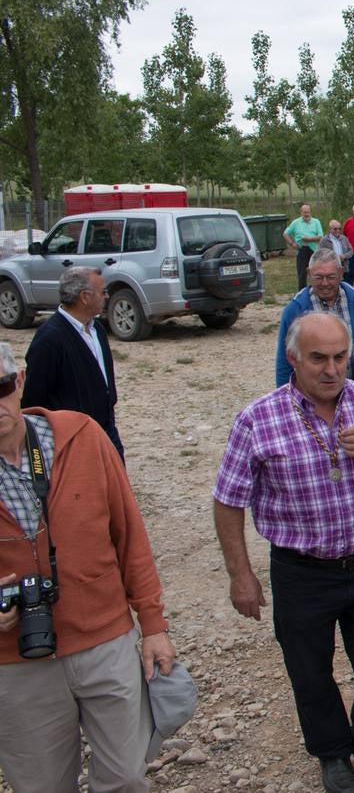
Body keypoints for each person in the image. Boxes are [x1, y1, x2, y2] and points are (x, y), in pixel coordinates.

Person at [214, 312, 354, 793]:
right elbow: (228, 500)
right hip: (301, 571)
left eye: (340, 357)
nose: (332, 369)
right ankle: (330, 752)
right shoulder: (258, 418)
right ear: (293, 359)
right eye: (318, 358)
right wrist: (240, 575)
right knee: (309, 669)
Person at [0, 341, 176, 790]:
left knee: (126, 778)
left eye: (0, 387)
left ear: (19, 381)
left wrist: (153, 625)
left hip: (105, 641)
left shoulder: (80, 436)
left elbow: (129, 533)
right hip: (15, 663)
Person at [20, 267, 122, 458]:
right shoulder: (50, 339)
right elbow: (34, 399)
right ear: (85, 297)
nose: (107, 296)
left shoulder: (97, 329)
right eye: (103, 292)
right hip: (74, 439)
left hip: (107, 429)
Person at [274, 249, 354, 387]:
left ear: (341, 273)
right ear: (308, 274)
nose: (325, 283)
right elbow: (284, 361)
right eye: (318, 277)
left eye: (331, 277)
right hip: (314, 392)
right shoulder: (295, 309)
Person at [285, 203, 325, 292]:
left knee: (316, 272)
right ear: (301, 212)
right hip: (301, 249)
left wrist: (309, 239)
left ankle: (317, 291)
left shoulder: (316, 222)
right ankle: (302, 293)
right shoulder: (296, 222)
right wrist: (292, 244)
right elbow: (285, 233)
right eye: (305, 212)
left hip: (313, 250)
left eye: (308, 212)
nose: (306, 214)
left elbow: (321, 236)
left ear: (311, 212)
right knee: (302, 274)